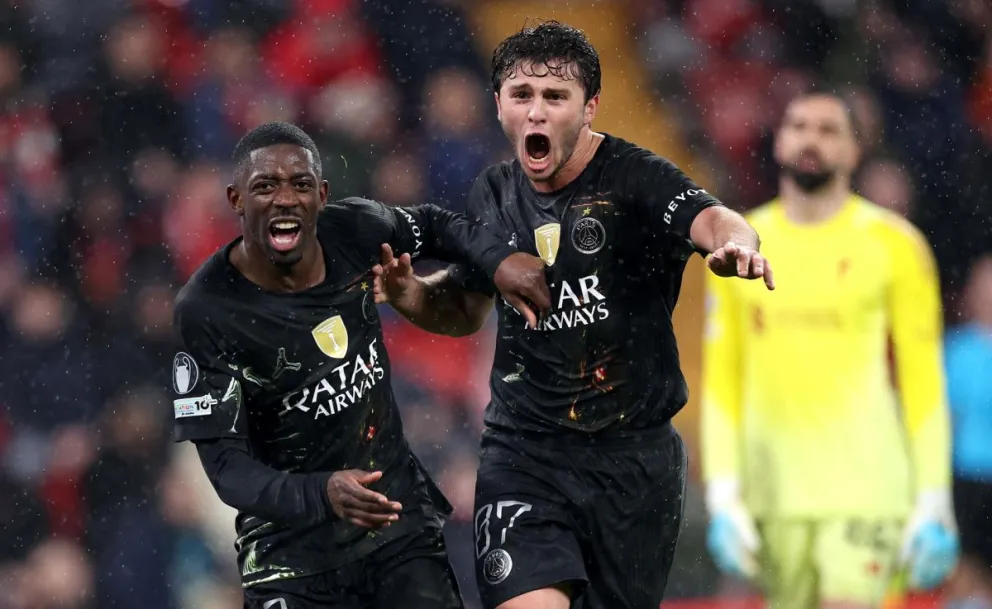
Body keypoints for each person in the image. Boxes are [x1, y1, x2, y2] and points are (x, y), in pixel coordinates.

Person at [370, 21, 773, 609]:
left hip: (633, 464)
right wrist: (410, 294)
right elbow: (463, 306)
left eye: (555, 97)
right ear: (500, 104)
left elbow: (713, 219)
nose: (536, 112)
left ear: (590, 108)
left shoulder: (636, 176)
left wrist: (737, 244)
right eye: (521, 96)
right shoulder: (492, 193)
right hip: (524, 455)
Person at [169, 121, 551, 609]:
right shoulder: (206, 311)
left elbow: (435, 225)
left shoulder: (355, 229)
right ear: (236, 200)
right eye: (265, 186)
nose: (285, 199)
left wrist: (498, 262)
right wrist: (320, 493)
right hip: (290, 559)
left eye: (300, 185)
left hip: (397, 527)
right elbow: (227, 470)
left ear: (322, 195)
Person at [700, 90, 960, 609]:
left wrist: (934, 497)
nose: (811, 139)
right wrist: (723, 494)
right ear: (779, 142)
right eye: (798, 125)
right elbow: (722, 381)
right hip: (772, 494)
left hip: (866, 490)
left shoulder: (895, 245)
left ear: (854, 151)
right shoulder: (739, 245)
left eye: (828, 129)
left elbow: (923, 379)